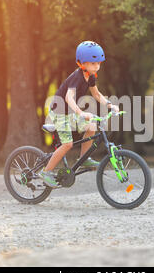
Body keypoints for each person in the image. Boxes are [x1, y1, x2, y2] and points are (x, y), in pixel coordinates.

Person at [39, 41, 119, 188]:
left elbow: (96, 94)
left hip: (70, 111)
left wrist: (109, 105)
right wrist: (81, 113)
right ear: (82, 63)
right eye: (93, 63)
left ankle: (84, 158)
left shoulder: (91, 76)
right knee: (67, 143)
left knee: (92, 125)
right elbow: (69, 97)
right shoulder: (77, 77)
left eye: (99, 63)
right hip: (59, 112)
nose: (97, 67)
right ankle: (46, 172)